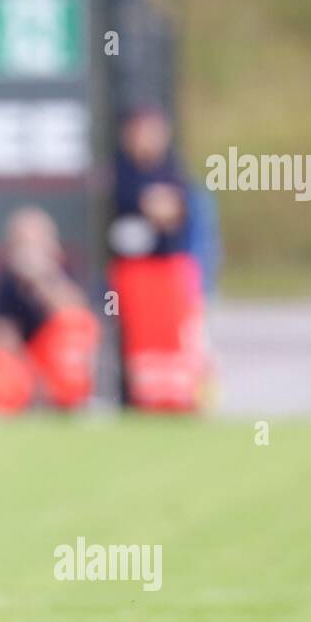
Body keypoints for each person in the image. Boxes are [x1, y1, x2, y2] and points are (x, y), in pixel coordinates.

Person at [107, 107, 206, 411]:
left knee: (174, 338)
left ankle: (178, 397)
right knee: (139, 341)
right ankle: (141, 399)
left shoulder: (173, 170)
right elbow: (140, 206)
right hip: (135, 273)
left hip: (169, 271)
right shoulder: (121, 173)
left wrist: (163, 208)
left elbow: (175, 211)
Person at [0, 207, 98, 414]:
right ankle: (8, 406)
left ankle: (70, 401)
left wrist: (44, 279)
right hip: (24, 362)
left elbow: (76, 313)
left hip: (53, 358)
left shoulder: (61, 273)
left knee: (75, 323)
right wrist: (30, 375)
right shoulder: (5, 280)